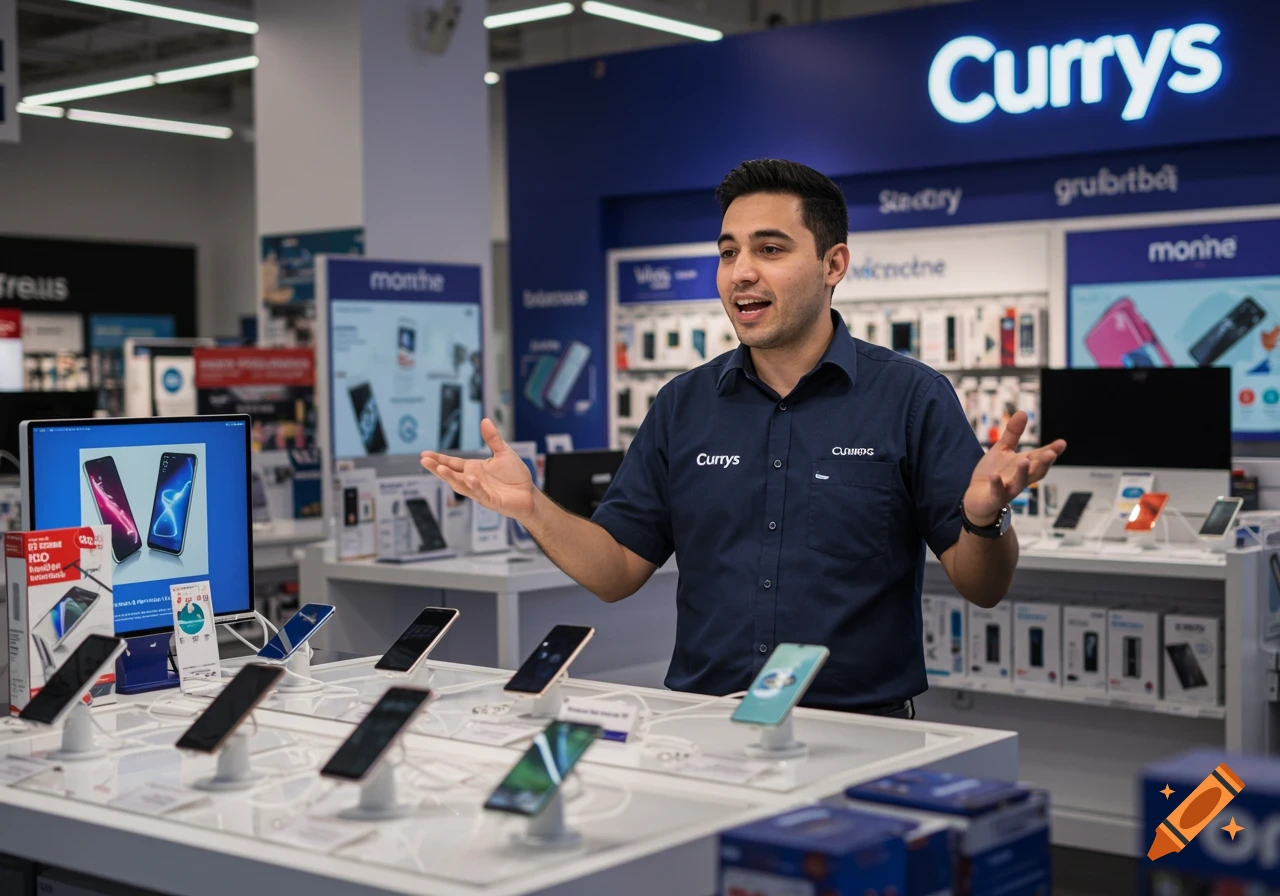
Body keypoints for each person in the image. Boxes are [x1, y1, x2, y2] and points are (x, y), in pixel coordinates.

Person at [422, 159, 1066, 718]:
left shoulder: (909, 396)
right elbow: (616, 569)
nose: (741, 273)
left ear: (833, 263)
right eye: (728, 252)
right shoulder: (683, 404)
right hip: (703, 723)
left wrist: (985, 520)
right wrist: (532, 508)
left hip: (859, 729)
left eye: (771, 249)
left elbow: (983, 586)